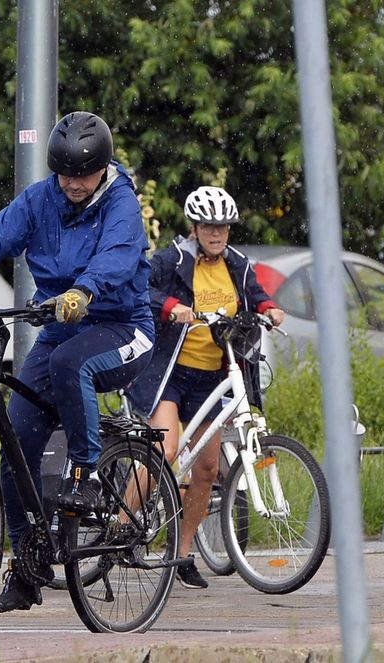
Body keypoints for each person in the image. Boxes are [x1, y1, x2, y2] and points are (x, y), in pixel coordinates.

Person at [0, 111, 155, 612]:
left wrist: (83, 290)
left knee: (71, 365)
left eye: (81, 175)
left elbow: (117, 256)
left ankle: (85, 473)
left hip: (123, 326)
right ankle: (27, 565)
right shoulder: (42, 199)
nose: (71, 184)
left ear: (102, 169)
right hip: (63, 324)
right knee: (14, 443)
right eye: (63, 173)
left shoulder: (121, 204)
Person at [127, 185, 284, 589]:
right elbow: (140, 289)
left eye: (223, 227)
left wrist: (270, 310)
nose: (216, 233)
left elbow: (257, 295)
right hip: (170, 373)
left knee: (207, 468)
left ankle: (180, 554)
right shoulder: (173, 259)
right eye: (209, 226)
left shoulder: (238, 266)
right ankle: (119, 528)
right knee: (164, 449)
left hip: (214, 375)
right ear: (194, 227)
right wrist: (172, 308)